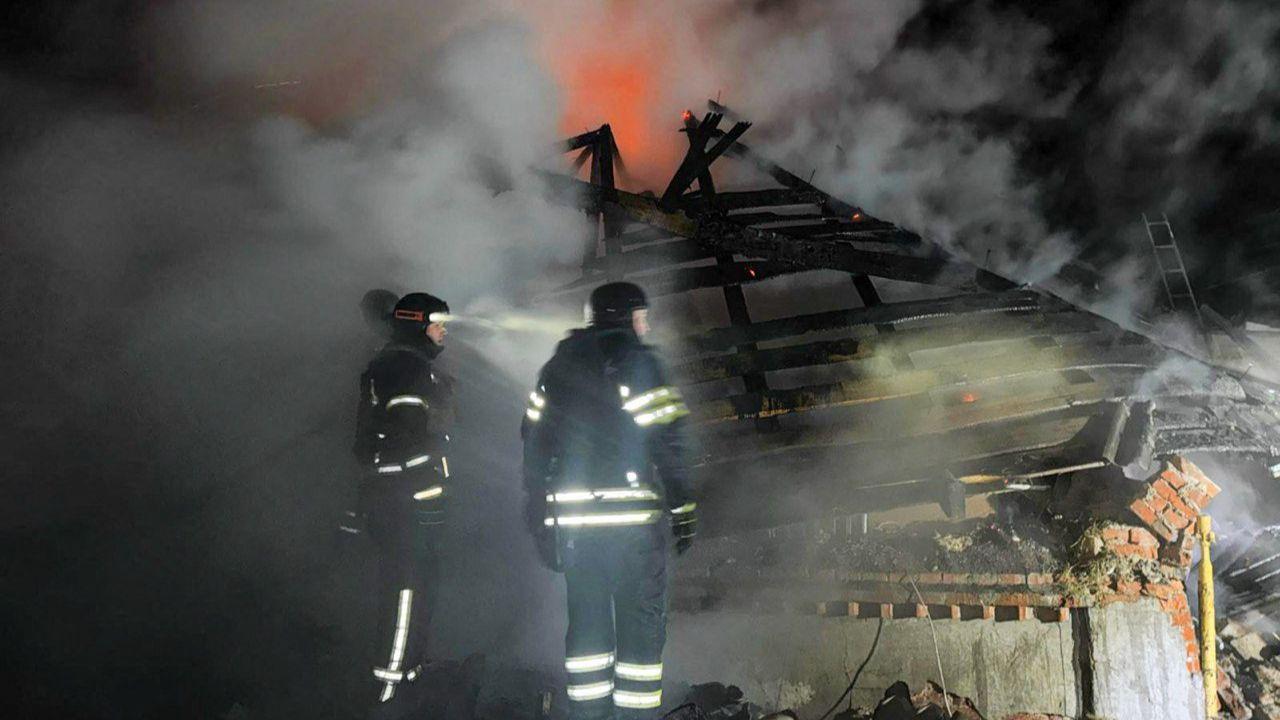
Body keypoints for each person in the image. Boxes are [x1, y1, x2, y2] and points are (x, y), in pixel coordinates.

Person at [521, 281, 697, 719]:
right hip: (632, 531)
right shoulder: (638, 364)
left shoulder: (558, 367)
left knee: (587, 633)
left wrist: (538, 513)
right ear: (625, 318)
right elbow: (668, 441)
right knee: (640, 632)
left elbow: (534, 443)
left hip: (577, 530)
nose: (646, 326)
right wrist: (682, 508)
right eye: (642, 317)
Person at [350, 291, 454, 718]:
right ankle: (389, 692)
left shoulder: (404, 364)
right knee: (406, 592)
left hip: (399, 500)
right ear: (418, 324)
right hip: (404, 504)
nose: (444, 331)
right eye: (437, 323)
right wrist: (427, 494)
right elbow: (406, 444)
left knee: (416, 590)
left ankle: (408, 681)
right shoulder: (406, 369)